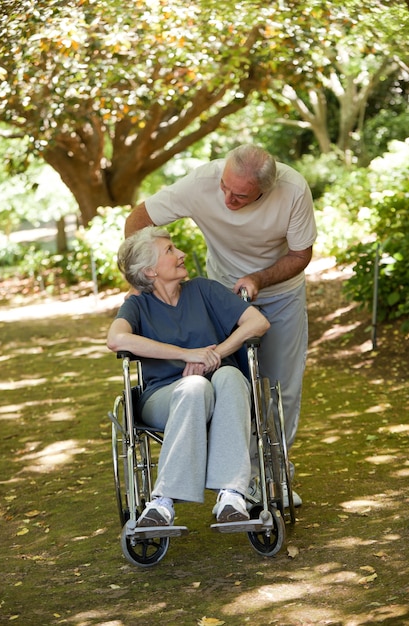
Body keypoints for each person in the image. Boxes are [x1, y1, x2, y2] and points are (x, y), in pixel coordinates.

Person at [124, 144, 317, 506]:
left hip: (280, 292)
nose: (227, 199)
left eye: (240, 195)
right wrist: (143, 285)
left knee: (281, 387)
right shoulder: (201, 182)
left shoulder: (292, 190)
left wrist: (259, 278)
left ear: (264, 189)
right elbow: (139, 218)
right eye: (225, 188)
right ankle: (240, 478)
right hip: (222, 293)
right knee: (234, 380)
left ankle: (275, 475)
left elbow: (300, 254)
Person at [107, 226, 270, 527]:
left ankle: (233, 494)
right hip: (163, 397)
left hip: (222, 389)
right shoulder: (138, 306)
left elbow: (257, 322)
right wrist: (187, 354)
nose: (181, 254)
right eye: (170, 251)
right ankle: (163, 501)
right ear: (150, 271)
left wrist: (215, 354)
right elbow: (116, 340)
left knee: (232, 376)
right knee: (193, 387)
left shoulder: (204, 290)